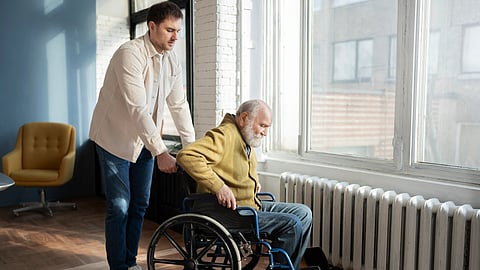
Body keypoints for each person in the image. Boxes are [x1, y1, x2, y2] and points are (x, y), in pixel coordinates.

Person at [89, 2, 195, 270]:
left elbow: (179, 105)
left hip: (147, 143)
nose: (175, 37)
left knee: (139, 205)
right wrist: (161, 151)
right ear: (152, 27)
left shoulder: (172, 60)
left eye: (178, 31)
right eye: (170, 30)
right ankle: (119, 267)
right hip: (115, 140)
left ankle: (129, 262)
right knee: (119, 207)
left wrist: (192, 147)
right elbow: (137, 109)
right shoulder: (129, 54)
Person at [176, 99, 313, 269]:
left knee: (304, 213)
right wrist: (219, 186)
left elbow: (236, 167)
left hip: (249, 205)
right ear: (244, 118)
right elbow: (186, 156)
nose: (265, 133)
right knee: (291, 224)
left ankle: (286, 266)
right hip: (230, 212)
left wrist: (253, 181)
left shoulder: (244, 139)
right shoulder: (225, 135)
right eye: (262, 125)